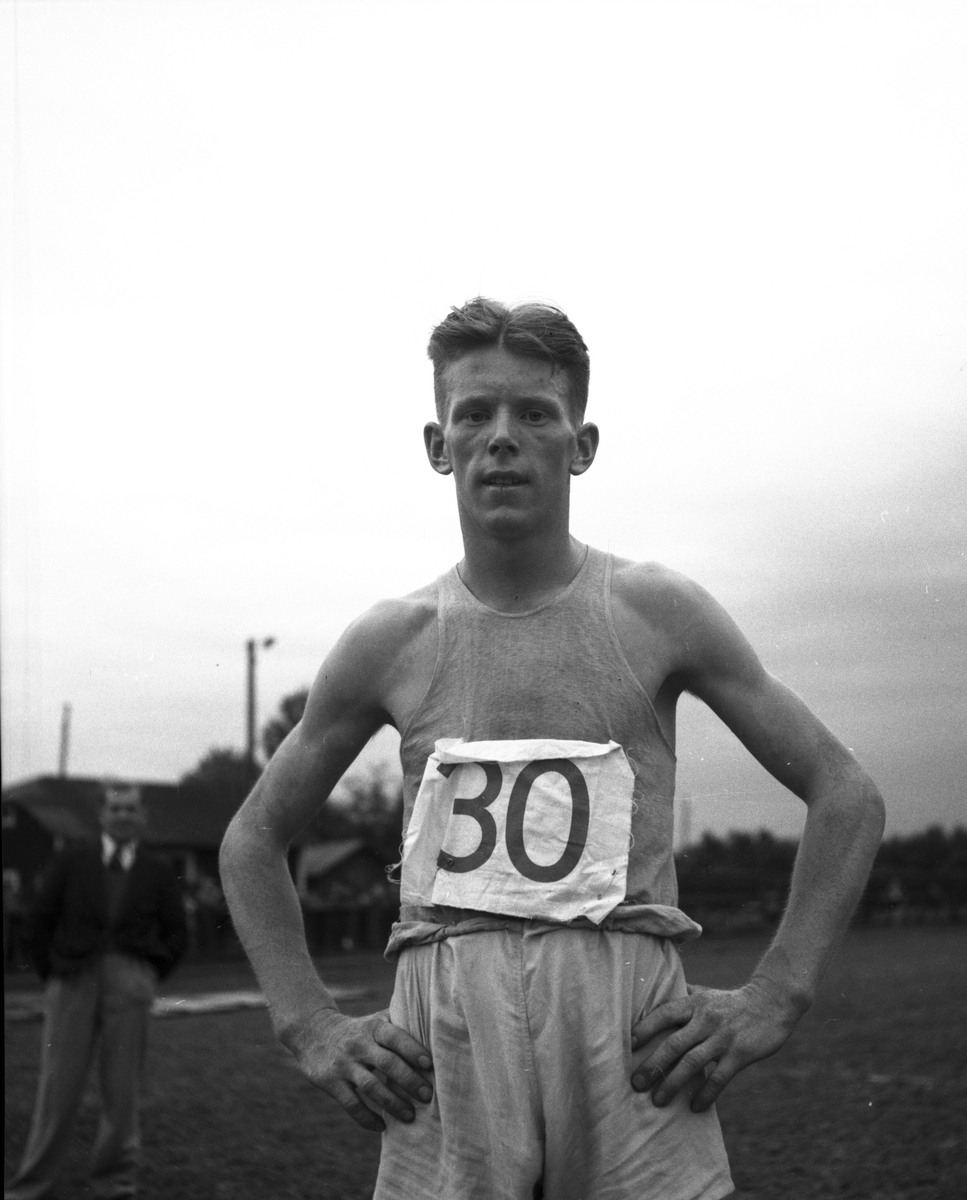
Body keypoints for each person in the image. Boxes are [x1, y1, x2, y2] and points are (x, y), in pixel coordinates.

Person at [219, 298, 886, 1199]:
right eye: (474, 414)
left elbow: (846, 794)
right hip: (447, 1051)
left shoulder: (656, 611)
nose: (501, 437)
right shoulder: (389, 641)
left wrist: (776, 994)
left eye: (535, 413)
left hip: (630, 1045)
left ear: (582, 444)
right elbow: (251, 840)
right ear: (438, 445)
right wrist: (309, 1025)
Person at [5, 784, 188, 1200]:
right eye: (115, 808)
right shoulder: (72, 860)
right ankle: (33, 1184)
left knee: (122, 1090)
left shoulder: (157, 870)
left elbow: (177, 932)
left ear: (142, 816)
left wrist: (147, 973)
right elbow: (39, 919)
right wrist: (53, 973)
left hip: (130, 980)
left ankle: (114, 1183)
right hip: (73, 979)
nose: (123, 815)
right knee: (58, 1086)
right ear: (101, 815)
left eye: (130, 809)